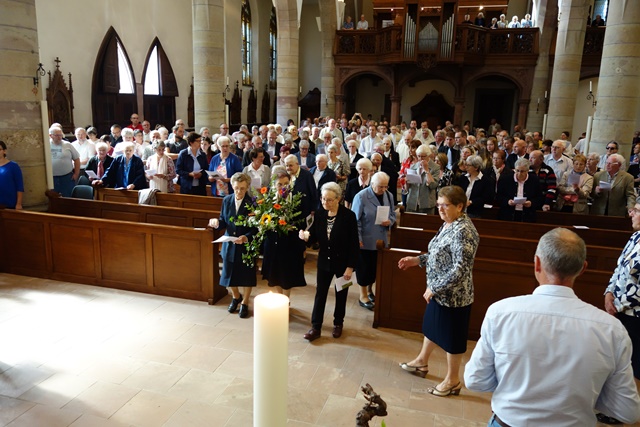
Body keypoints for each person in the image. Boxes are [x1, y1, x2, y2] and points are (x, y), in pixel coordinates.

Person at [465, 228, 640, 426]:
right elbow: (627, 411)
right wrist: (584, 395)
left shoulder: (501, 312)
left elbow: (475, 381)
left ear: (537, 264)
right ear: (583, 268)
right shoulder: (612, 330)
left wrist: (513, 387)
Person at [397, 186, 479, 396]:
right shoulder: (448, 224)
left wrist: (434, 288)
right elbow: (437, 253)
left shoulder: (464, 231)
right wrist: (417, 260)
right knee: (432, 327)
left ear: (460, 206)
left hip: (454, 297)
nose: (441, 209)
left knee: (453, 339)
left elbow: (460, 270)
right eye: (439, 204)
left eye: (446, 205)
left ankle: (452, 381)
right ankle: (422, 362)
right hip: (437, 292)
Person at [299, 182, 359, 341]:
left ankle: (338, 323)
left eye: (329, 200)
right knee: (320, 294)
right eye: (323, 199)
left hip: (343, 263)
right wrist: (305, 236)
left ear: (338, 199)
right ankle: (315, 327)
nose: (325, 202)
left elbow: (354, 244)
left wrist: (350, 267)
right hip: (324, 262)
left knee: (341, 293)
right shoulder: (319, 214)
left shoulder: (349, 216)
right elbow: (312, 236)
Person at [208, 173, 257, 319]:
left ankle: (245, 302)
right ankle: (236, 296)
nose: (239, 192)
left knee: (246, 275)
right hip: (230, 243)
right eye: (236, 188)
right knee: (228, 274)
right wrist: (216, 223)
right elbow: (223, 220)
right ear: (232, 186)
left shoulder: (252, 203)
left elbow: (256, 228)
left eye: (242, 189)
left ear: (247, 187)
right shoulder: (227, 200)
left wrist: (246, 237)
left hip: (246, 244)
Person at [351, 172, 396, 310]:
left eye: (385, 186)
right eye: (380, 187)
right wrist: (357, 239)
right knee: (364, 269)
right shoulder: (361, 196)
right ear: (372, 184)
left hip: (381, 240)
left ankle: (370, 291)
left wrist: (390, 221)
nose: (383, 189)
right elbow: (355, 220)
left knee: (375, 269)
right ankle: (362, 295)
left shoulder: (389, 195)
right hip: (365, 239)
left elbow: (393, 214)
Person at [261, 170, 307, 298]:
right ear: (274, 185)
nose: (283, 187)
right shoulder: (268, 200)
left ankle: (286, 298)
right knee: (274, 273)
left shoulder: (297, 199)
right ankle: (279, 296)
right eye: (280, 184)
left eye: (286, 183)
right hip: (273, 241)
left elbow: (302, 222)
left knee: (288, 273)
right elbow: (263, 218)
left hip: (291, 241)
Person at [496, 158, 543, 222]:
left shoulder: (534, 180)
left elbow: (539, 198)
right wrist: (507, 201)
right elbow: (498, 196)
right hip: (508, 214)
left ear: (527, 171)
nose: (519, 173)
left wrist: (531, 203)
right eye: (517, 170)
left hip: (527, 215)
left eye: (522, 171)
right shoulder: (505, 179)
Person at [405, 145, 438, 214]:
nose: (421, 159)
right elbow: (408, 189)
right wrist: (406, 182)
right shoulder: (413, 166)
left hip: (427, 203)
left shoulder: (435, 167)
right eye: (419, 156)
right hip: (412, 202)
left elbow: (433, 185)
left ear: (429, 156)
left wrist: (426, 170)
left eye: (423, 156)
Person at [50, 125, 80, 197]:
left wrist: (76, 174)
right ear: (51, 135)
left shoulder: (67, 145)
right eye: (57, 135)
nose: (60, 137)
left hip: (67, 177)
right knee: (53, 198)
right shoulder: (46, 145)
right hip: (52, 177)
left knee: (68, 197)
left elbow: (76, 159)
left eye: (61, 135)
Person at [0, 140, 24, 209]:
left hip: (9, 204)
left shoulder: (13, 166)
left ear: (4, 151)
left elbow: (20, 186)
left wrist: (19, 204)